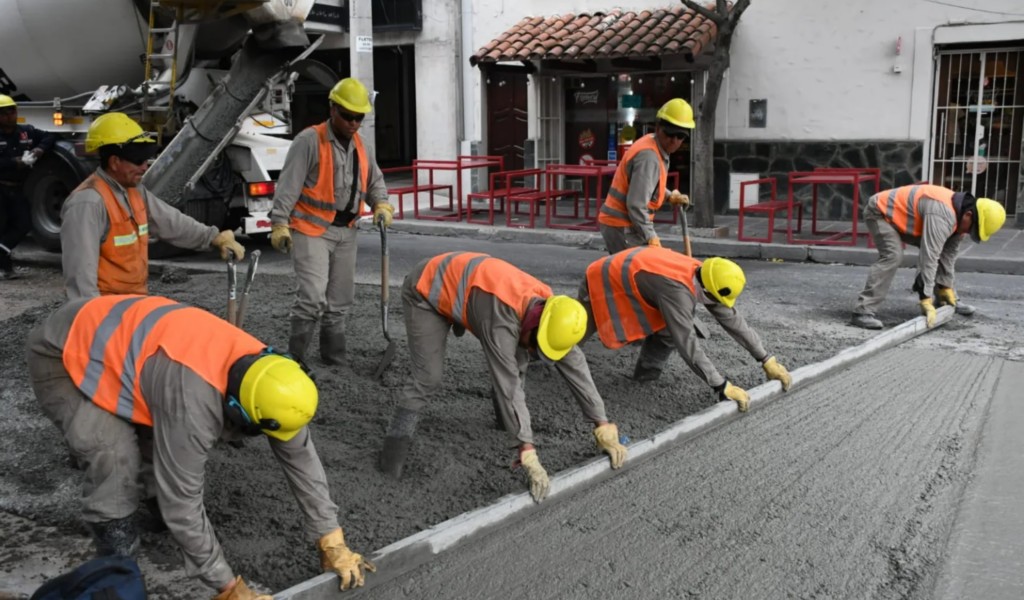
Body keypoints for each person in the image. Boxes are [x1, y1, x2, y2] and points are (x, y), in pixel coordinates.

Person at [26, 294, 375, 598]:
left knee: (157, 446)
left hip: (135, 345)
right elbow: (184, 502)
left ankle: (152, 509)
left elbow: (302, 459)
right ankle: (117, 563)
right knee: (115, 458)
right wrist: (228, 587)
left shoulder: (273, 379)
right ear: (238, 414)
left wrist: (332, 540)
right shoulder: (193, 404)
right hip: (65, 350)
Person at [377, 251, 628, 503]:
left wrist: (602, 423)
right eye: (537, 347)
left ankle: (506, 425)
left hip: (472, 289)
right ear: (534, 326)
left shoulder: (554, 312)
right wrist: (527, 450)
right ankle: (391, 456)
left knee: (519, 360)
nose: (535, 354)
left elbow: (576, 364)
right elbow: (508, 384)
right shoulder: (500, 322)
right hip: (427, 288)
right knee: (428, 377)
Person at [268, 77, 395, 366]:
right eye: (348, 116)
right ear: (332, 109)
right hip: (312, 230)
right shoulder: (309, 141)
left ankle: (333, 360)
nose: (353, 123)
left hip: (346, 232)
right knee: (312, 298)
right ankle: (295, 360)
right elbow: (287, 187)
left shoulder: (361, 146)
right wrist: (279, 223)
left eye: (359, 117)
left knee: (339, 302)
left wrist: (382, 203)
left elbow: (374, 181)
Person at [577, 247, 793, 412]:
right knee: (574, 333)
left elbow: (731, 318)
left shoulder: (707, 275)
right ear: (707, 290)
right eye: (715, 300)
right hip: (603, 278)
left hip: (637, 275)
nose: (717, 305)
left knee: (667, 331)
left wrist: (766, 359)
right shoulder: (678, 294)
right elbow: (687, 344)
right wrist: (720, 385)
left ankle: (645, 376)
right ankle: (547, 357)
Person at [60, 112, 244, 300]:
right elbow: (80, 276)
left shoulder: (135, 192)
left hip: (133, 303)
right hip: (106, 309)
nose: (145, 167)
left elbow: (171, 222)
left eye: (146, 159)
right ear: (115, 162)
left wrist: (214, 238)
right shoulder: (88, 203)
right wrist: (91, 320)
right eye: (138, 160)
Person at [851, 184, 1007, 330]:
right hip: (880, 212)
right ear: (968, 214)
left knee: (942, 252)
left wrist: (946, 288)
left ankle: (944, 300)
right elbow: (929, 256)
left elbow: (948, 258)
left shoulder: (961, 220)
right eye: (972, 229)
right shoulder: (942, 214)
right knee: (893, 255)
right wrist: (925, 298)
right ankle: (863, 311)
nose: (968, 233)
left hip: (907, 218)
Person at [598, 98, 694, 254]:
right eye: (669, 133)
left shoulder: (655, 145)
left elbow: (648, 186)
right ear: (658, 128)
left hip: (624, 223)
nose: (673, 140)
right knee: (635, 273)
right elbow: (636, 205)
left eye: (680, 136)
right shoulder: (649, 157)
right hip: (622, 225)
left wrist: (669, 196)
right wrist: (651, 237)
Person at [0, 94, 55, 279]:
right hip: (1, 187)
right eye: (3, 113)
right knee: (2, 226)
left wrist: (39, 150)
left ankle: (2, 253)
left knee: (23, 225)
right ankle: (5, 269)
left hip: (17, 188)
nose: (8, 116)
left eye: (11, 111)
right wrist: (14, 162)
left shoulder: (26, 132)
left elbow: (49, 136)